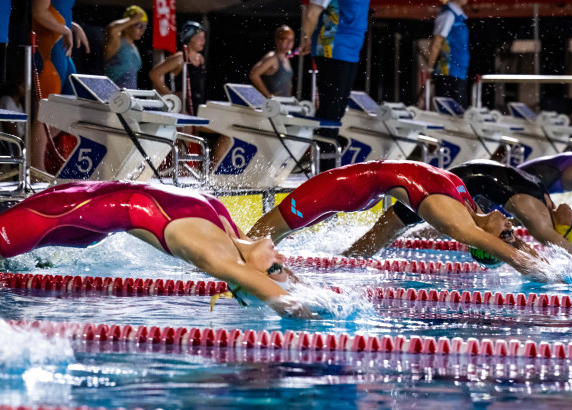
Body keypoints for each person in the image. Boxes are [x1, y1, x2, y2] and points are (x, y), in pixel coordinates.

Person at [0, 180, 319, 319]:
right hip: (82, 204)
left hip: (80, 214)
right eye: (279, 266)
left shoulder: (219, 248)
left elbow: (279, 292)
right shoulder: (225, 240)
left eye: (274, 267)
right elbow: (285, 295)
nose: (280, 257)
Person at [248, 160, 550, 280]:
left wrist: (550, 278)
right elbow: (506, 245)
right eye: (512, 232)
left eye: (507, 234)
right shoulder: (470, 210)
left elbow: (502, 250)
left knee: (256, 237)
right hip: (355, 189)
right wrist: (546, 262)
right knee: (263, 239)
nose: (512, 227)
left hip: (342, 186)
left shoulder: (457, 223)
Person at [345, 159, 572, 264]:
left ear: (561, 229)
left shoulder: (538, 216)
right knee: (387, 228)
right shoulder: (544, 202)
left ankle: (345, 260)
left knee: (388, 228)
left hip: (445, 190)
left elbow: (543, 242)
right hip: (452, 186)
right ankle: (346, 257)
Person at [300, 0, 370, 170]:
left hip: (351, 51)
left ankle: (327, 164)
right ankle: (324, 167)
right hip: (331, 48)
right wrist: (306, 38)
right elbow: (311, 13)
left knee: (338, 111)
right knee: (329, 111)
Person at [30, 0, 89, 171]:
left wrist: (72, 26)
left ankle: (39, 157)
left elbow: (56, 10)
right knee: (45, 113)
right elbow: (38, 12)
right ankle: (36, 170)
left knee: (73, 108)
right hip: (49, 51)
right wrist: (64, 29)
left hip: (62, 52)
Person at [148, 21, 206, 114]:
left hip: (197, 105)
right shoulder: (180, 58)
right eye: (199, 38)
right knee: (187, 128)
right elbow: (154, 74)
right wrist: (171, 95)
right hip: (182, 107)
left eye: (204, 38)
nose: (203, 41)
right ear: (190, 38)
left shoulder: (200, 59)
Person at [426, 0, 470, 107]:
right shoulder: (448, 15)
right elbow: (436, 44)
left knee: (458, 113)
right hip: (448, 73)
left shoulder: (458, 16)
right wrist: (430, 68)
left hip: (459, 72)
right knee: (449, 114)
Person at [104, 5, 148, 89]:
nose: (142, 30)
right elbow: (112, 29)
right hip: (112, 97)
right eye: (139, 26)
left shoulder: (134, 47)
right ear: (127, 25)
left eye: (144, 27)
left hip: (128, 97)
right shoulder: (116, 43)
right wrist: (132, 19)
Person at [250, 25, 295, 98]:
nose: (289, 44)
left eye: (291, 40)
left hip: (285, 104)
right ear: (278, 40)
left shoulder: (286, 58)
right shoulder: (272, 58)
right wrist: (268, 96)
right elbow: (253, 75)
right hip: (274, 106)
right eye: (286, 40)